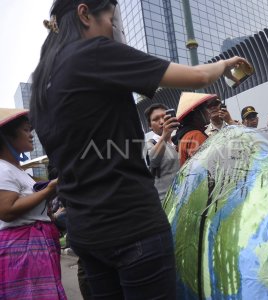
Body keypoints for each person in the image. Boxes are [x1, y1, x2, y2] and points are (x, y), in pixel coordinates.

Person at [30, 1, 252, 298]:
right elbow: (198, 76)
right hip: (131, 223)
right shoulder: (93, 52)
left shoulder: (42, 82)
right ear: (84, 14)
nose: (114, 27)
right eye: (110, 19)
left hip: (86, 231)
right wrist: (225, 64)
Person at [0, 108, 66, 299]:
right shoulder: (3, 169)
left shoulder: (15, 170)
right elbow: (6, 210)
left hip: (34, 247)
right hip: (22, 250)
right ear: (6, 136)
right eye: (26, 130)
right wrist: (48, 190)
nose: (31, 135)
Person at [144, 103, 179, 201]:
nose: (161, 121)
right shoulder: (149, 145)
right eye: (156, 119)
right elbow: (153, 160)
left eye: (164, 117)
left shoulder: (178, 140)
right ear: (150, 126)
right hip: (165, 203)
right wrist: (165, 136)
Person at [175, 92, 217, 165]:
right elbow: (207, 165)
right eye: (205, 108)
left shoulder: (186, 135)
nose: (208, 112)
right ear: (197, 113)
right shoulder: (195, 136)